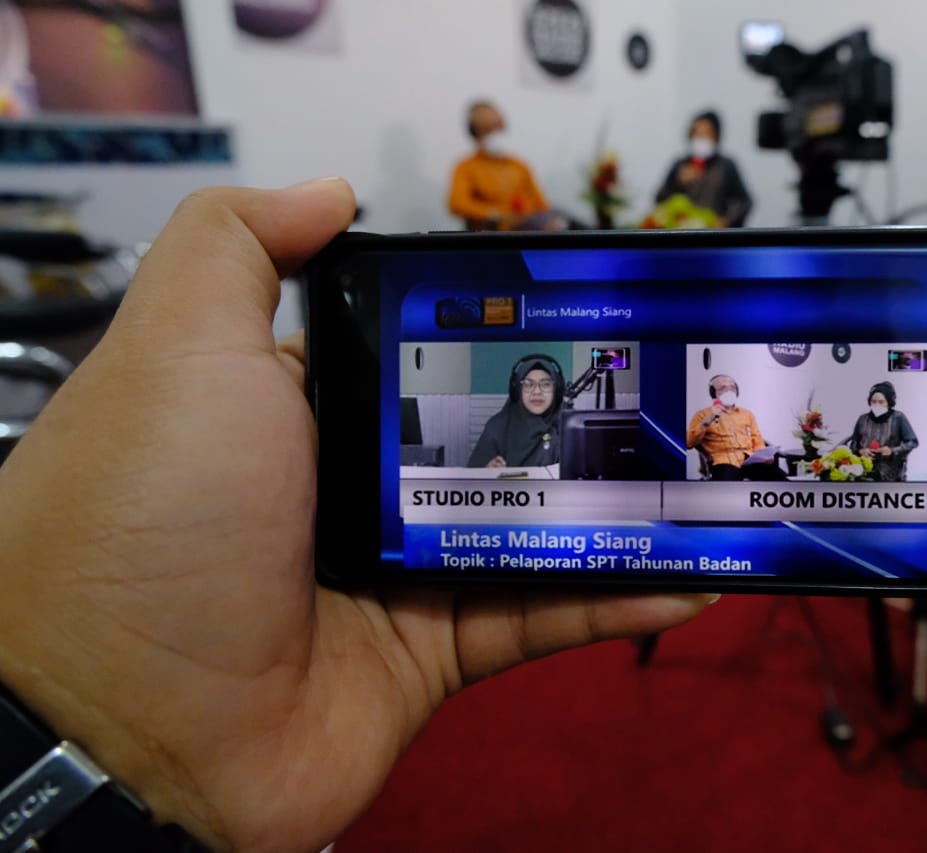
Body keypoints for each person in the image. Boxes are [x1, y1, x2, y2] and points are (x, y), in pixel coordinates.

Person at [0, 179, 715, 853]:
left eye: (544, 382)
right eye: (528, 379)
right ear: (516, 384)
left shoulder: (571, 417)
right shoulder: (496, 424)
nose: (537, 389)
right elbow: (475, 474)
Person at [448, 100, 558, 230]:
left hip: (525, 233)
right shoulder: (466, 167)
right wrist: (494, 214)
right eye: (487, 129)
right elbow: (457, 203)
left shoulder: (519, 166)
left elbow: (542, 206)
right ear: (474, 132)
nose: (495, 133)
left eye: (498, 127)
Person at [655, 110, 753, 228]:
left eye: (706, 133)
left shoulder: (726, 165)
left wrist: (727, 220)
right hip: (682, 232)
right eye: (697, 133)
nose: (701, 138)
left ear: (716, 137)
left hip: (715, 233)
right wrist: (678, 183)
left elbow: (744, 202)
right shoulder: (680, 165)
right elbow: (659, 200)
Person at [468, 353, 565, 469]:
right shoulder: (497, 427)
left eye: (546, 384)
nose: (537, 392)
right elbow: (472, 475)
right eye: (528, 384)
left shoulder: (568, 426)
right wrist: (486, 471)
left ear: (557, 389)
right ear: (517, 390)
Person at [686, 374, 783, 481]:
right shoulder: (702, 415)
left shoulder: (747, 414)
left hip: (749, 461)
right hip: (723, 462)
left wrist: (764, 456)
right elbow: (689, 443)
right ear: (713, 393)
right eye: (723, 388)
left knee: (779, 479)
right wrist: (708, 420)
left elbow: (758, 442)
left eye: (732, 388)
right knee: (730, 484)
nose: (729, 391)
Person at [847, 381, 919, 482]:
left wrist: (892, 451)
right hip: (863, 472)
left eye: (881, 402)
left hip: (891, 473)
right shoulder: (862, 419)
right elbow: (853, 444)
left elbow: (912, 442)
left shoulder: (898, 418)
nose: (877, 405)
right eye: (874, 401)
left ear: (889, 403)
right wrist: (861, 451)